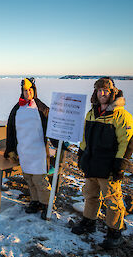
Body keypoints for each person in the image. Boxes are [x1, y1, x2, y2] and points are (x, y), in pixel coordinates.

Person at [71, 77, 133, 249]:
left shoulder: (121, 115)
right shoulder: (91, 113)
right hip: (92, 164)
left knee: (113, 200)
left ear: (112, 92)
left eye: (105, 90)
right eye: (99, 90)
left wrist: (120, 164)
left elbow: (126, 142)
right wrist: (81, 155)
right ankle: (89, 222)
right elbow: (85, 138)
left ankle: (115, 232)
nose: (102, 93)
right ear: (95, 93)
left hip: (109, 167)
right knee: (90, 196)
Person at [4, 78, 53, 220]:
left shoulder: (41, 107)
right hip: (24, 150)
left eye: (30, 90)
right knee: (29, 179)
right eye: (25, 90)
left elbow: (51, 126)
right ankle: (35, 201)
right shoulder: (17, 108)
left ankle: (46, 205)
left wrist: (60, 143)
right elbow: (11, 131)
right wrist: (11, 149)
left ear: (34, 90)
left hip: (38, 151)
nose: (28, 92)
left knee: (40, 180)